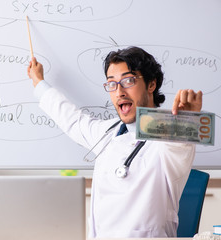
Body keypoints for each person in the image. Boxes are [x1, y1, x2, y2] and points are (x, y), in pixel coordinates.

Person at [27, 46, 203, 238]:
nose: (119, 92)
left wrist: (186, 121)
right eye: (112, 84)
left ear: (151, 84)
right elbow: (71, 118)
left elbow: (179, 146)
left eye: (128, 81)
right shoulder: (107, 133)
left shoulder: (167, 140)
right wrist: (39, 82)